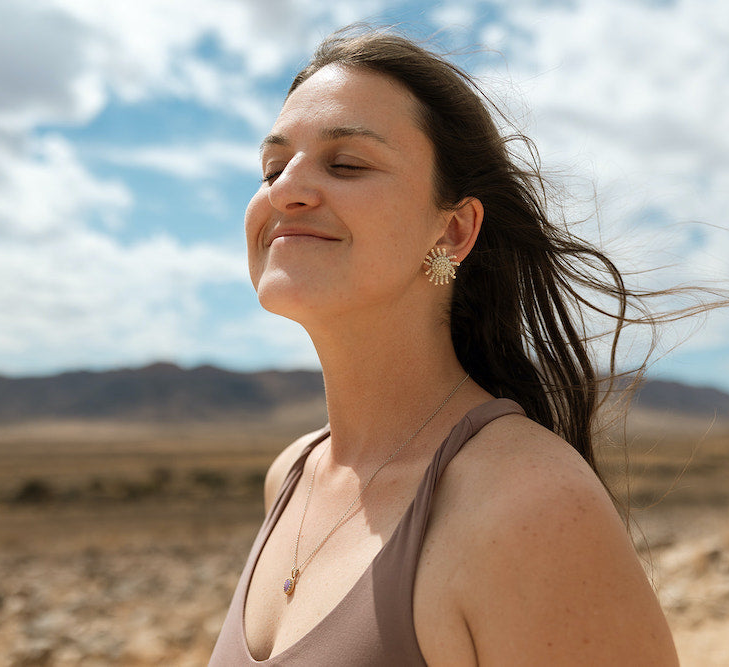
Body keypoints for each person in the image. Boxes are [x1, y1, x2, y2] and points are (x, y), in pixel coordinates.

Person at [210, 28, 680, 665]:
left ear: (454, 229)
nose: (285, 189)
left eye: (346, 163)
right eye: (272, 167)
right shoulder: (290, 476)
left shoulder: (529, 507)